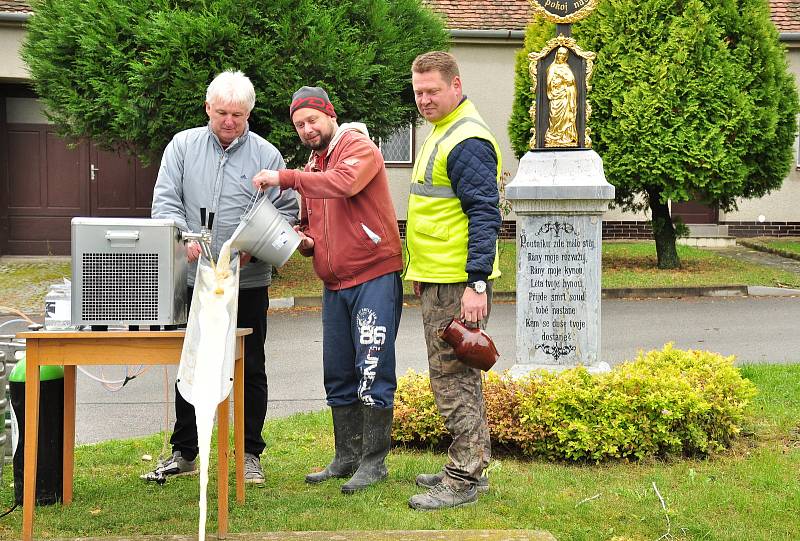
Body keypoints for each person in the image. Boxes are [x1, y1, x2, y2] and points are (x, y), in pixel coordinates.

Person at [143, 70, 299, 484]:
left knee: (250, 365)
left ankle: (249, 454)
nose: (229, 121)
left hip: (246, 281)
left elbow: (287, 213)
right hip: (192, 278)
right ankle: (185, 451)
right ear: (207, 107)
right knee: (191, 362)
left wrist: (255, 248)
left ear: (249, 114)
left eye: (239, 114)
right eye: (222, 112)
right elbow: (165, 202)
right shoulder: (182, 147)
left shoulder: (267, 155)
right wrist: (183, 238)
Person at [252, 86, 403, 493]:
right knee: (337, 371)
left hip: (373, 274)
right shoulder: (315, 161)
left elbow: (344, 184)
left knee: (371, 368)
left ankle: (374, 462)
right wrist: (303, 239)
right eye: (299, 124)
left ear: (330, 115)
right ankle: (346, 456)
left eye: (312, 120)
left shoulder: (358, 147)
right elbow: (318, 218)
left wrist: (284, 178)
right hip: (335, 282)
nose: (306, 129)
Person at [405, 51, 502, 510]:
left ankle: (463, 477)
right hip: (440, 277)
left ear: (456, 86)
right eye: (418, 91)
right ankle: (469, 463)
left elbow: (485, 213)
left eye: (432, 91)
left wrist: (476, 284)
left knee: (451, 379)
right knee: (458, 375)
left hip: (457, 283)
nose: (424, 99)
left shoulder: (465, 139)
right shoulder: (445, 130)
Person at [544, 47, 578, 147]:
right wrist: (557, 83)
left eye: (563, 54)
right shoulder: (552, 68)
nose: (561, 56)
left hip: (566, 96)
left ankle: (566, 136)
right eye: (560, 54)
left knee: (566, 117)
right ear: (556, 55)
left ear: (566, 56)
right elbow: (549, 83)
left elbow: (571, 82)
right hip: (555, 96)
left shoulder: (566, 67)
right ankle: (554, 135)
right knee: (554, 115)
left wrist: (565, 81)